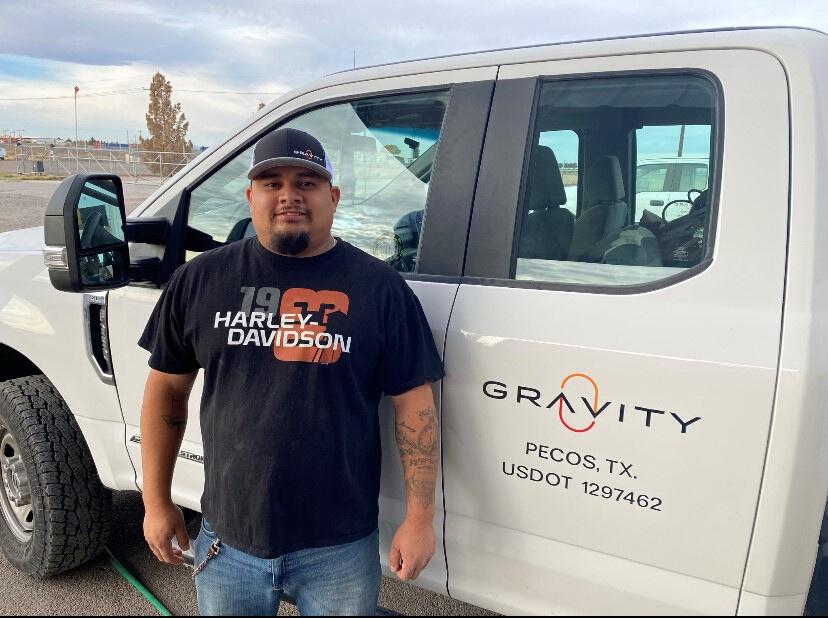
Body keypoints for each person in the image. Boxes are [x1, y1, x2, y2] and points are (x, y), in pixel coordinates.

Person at [138, 127, 445, 616]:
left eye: (306, 182)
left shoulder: (381, 289)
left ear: (332, 197)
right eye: (272, 183)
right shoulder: (199, 280)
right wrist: (156, 502)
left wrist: (420, 518)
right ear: (250, 197)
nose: (289, 196)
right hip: (228, 539)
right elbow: (167, 393)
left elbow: (415, 407)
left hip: (339, 547)